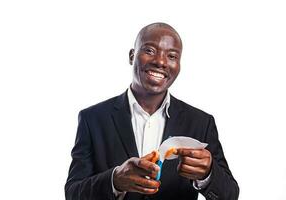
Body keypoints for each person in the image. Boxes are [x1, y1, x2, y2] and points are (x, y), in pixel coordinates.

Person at [65, 22, 239, 200]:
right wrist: (114, 180)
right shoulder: (93, 118)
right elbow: (73, 193)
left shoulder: (201, 122)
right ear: (132, 56)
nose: (161, 62)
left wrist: (207, 174)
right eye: (149, 51)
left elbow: (230, 195)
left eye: (172, 56)